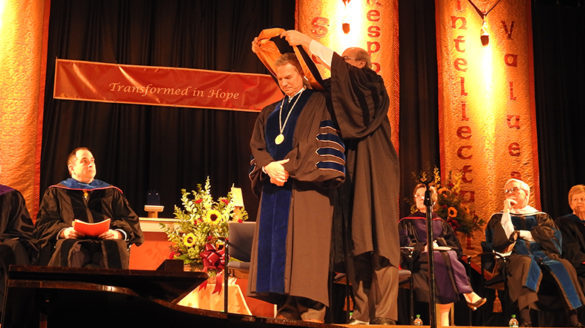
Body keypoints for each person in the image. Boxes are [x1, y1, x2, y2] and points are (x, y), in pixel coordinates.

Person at [280, 30, 400, 325]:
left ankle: (384, 316)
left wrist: (308, 42)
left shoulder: (371, 83)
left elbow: (345, 81)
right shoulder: (340, 90)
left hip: (376, 166)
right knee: (356, 240)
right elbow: (315, 89)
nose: (339, 68)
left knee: (380, 241)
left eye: (345, 62)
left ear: (360, 65)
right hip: (349, 166)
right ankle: (361, 314)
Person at [247, 50, 346, 322]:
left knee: (307, 253)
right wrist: (268, 167)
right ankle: (287, 309)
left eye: (289, 77)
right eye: (280, 79)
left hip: (308, 191)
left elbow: (319, 146)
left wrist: (285, 169)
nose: (284, 83)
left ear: (301, 74)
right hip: (275, 191)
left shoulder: (320, 103)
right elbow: (257, 146)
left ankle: (312, 312)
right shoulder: (270, 112)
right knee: (280, 262)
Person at [485, 178, 585, 327]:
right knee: (525, 263)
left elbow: (553, 238)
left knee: (563, 265)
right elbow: (500, 241)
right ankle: (526, 320)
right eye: (507, 191)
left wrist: (522, 233)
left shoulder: (541, 216)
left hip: (544, 255)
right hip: (515, 256)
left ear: (526, 194)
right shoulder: (498, 217)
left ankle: (573, 319)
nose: (510, 193)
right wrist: (506, 211)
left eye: (514, 189)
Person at [34, 147, 143, 269]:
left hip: (107, 244)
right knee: (69, 249)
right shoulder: (56, 192)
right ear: (71, 168)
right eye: (84, 161)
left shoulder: (111, 192)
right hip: (72, 245)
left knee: (116, 247)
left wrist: (118, 233)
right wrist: (64, 232)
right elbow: (43, 225)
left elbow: (131, 221)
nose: (90, 164)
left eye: (92, 160)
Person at [399, 184, 486, 326]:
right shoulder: (406, 222)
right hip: (417, 260)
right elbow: (403, 245)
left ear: (433, 199)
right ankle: (468, 293)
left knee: (447, 256)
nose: (422, 198)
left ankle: (447, 318)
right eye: (418, 195)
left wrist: (438, 245)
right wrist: (424, 247)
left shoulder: (441, 223)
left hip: (441, 259)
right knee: (446, 258)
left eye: (425, 195)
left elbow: (456, 249)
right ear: (414, 199)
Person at [556, 185, 585, 289]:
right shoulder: (563, 222)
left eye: (582, 199)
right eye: (575, 199)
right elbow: (571, 250)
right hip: (578, 265)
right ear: (570, 203)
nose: (579, 202)